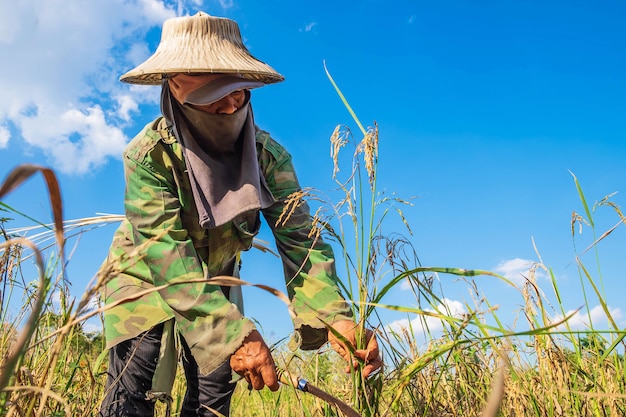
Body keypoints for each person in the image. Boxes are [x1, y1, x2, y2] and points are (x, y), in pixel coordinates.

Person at [98, 11, 381, 417]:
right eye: (217, 91)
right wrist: (233, 334)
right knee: (132, 387)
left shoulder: (267, 158)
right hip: (144, 281)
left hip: (217, 278)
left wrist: (337, 320)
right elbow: (167, 259)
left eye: (241, 90)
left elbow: (302, 243)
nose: (233, 103)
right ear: (176, 87)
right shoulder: (150, 158)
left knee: (214, 392)